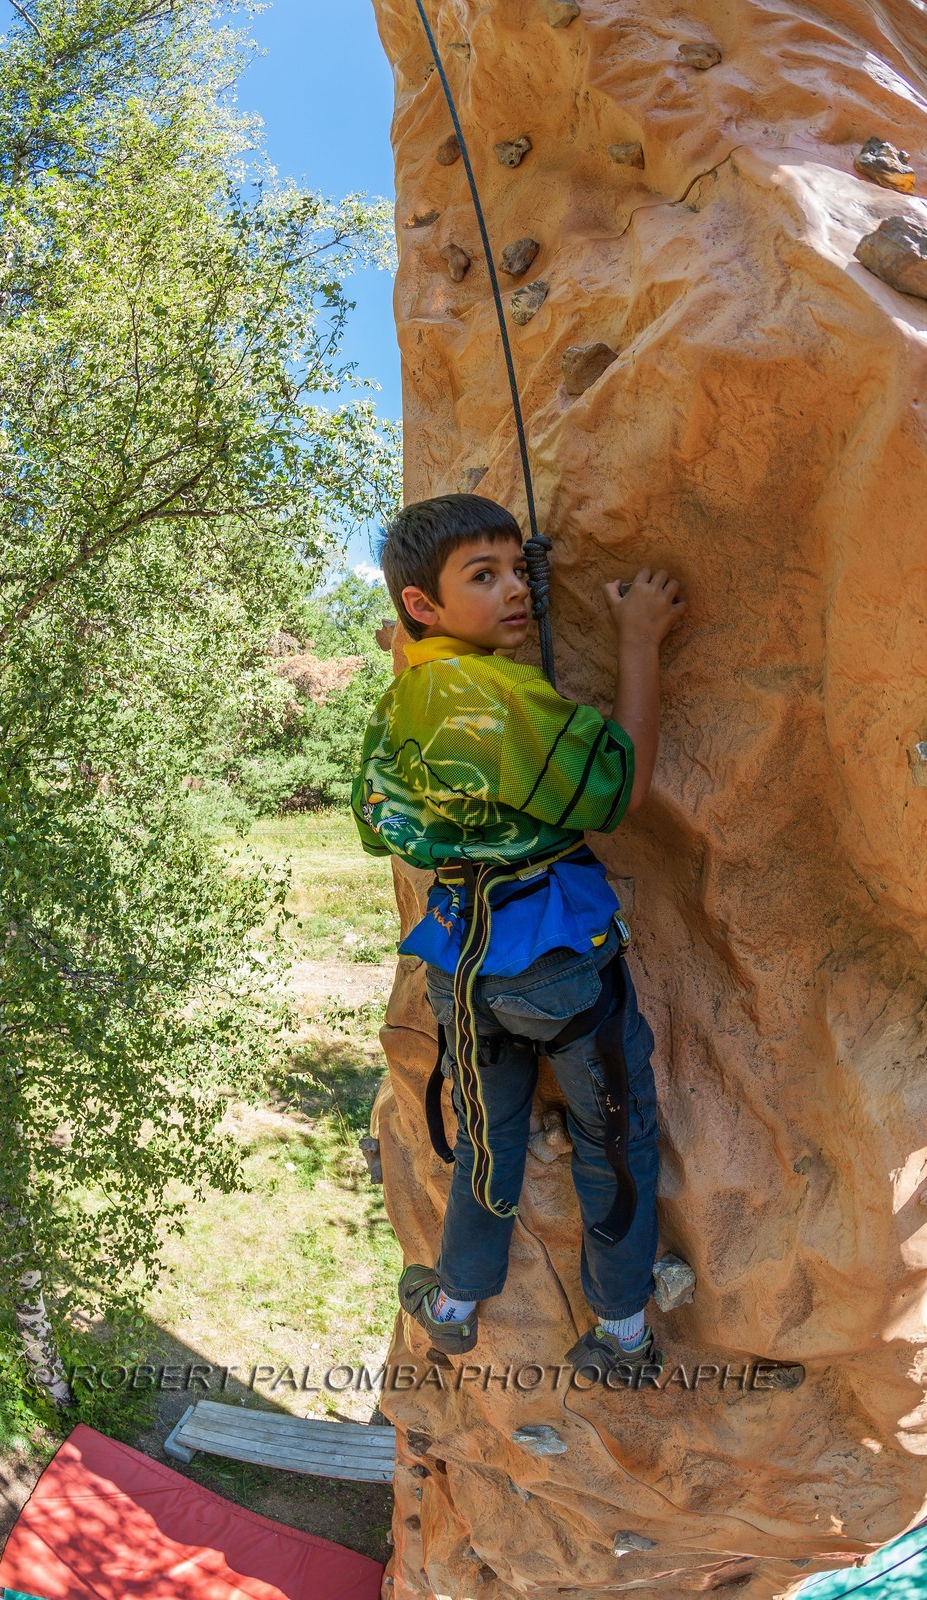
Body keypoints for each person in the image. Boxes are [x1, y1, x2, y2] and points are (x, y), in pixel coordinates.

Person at [351, 493, 685, 1383]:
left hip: (462, 965)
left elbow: (373, 819)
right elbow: (617, 790)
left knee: (487, 1137)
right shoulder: (496, 695)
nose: (515, 593)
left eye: (515, 570)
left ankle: (455, 1303)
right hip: (557, 961)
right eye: (483, 575)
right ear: (421, 605)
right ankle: (618, 1333)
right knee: (616, 1138)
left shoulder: (410, 695)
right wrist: (639, 641)